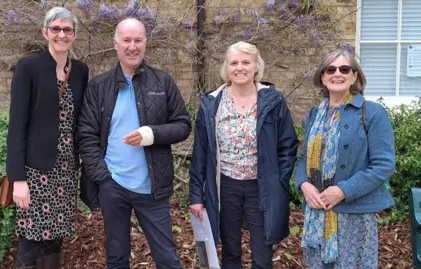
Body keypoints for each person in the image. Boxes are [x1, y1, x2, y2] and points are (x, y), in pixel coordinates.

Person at [77, 18, 191, 269]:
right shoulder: (99, 86)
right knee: (116, 256)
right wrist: (103, 177)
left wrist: (151, 134)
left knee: (167, 257)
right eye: (126, 40)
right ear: (115, 44)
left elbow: (183, 124)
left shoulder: (162, 82)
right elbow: (86, 135)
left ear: (145, 44)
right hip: (113, 185)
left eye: (138, 40)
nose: (132, 46)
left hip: (151, 186)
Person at [189, 41, 298, 269]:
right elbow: (200, 154)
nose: (240, 68)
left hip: (261, 187)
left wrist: (279, 180)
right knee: (230, 251)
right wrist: (196, 196)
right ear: (226, 68)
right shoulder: (212, 104)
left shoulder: (272, 101)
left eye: (246, 62)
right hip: (225, 186)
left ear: (256, 67)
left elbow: (287, 144)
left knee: (262, 254)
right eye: (234, 63)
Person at [295, 49, 395, 268]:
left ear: (354, 76)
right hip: (317, 211)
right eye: (330, 69)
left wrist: (343, 191)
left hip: (354, 215)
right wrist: (303, 184)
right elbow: (303, 157)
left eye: (344, 69)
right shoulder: (315, 114)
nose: (337, 74)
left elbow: (384, 165)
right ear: (323, 77)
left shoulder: (373, 113)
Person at [6, 7, 89, 269]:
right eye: (55, 29)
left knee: (55, 239)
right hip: (35, 172)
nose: (61, 34)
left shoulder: (80, 71)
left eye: (67, 30)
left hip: (65, 170)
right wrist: (17, 178)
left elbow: (79, 120)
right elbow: (17, 125)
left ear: (74, 35)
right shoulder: (28, 67)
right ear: (45, 32)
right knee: (31, 239)